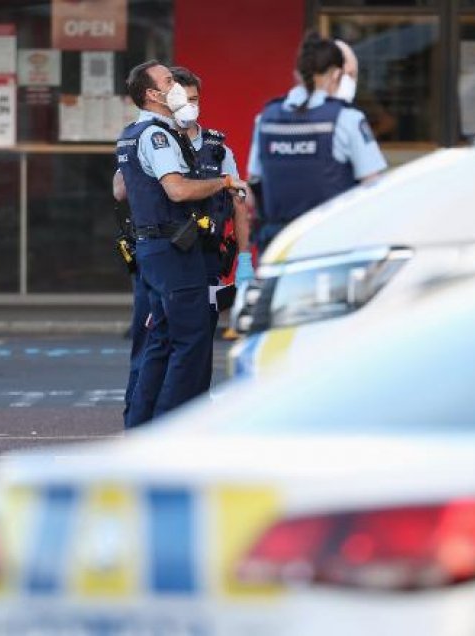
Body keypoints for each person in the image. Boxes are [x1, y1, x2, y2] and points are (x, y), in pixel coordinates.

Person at [115, 61, 247, 428]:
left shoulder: (135, 132)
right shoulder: (158, 135)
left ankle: (142, 426)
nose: (177, 90)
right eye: (170, 83)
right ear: (153, 94)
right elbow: (177, 190)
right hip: (171, 249)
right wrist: (221, 183)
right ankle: (172, 429)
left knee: (160, 340)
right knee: (189, 342)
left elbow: (121, 187)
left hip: (164, 249)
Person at [247, 32, 388, 254]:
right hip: (330, 246)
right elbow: (374, 188)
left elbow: (252, 191)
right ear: (336, 75)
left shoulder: (266, 118)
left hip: (278, 248)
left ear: (297, 74)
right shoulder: (347, 118)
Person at [168, 65, 253, 386]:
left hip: (206, 257)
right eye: (182, 99)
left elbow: (239, 202)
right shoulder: (157, 141)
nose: (189, 105)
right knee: (164, 340)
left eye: (194, 99)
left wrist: (245, 260)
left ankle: (195, 406)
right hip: (167, 255)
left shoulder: (218, 150)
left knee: (201, 339)